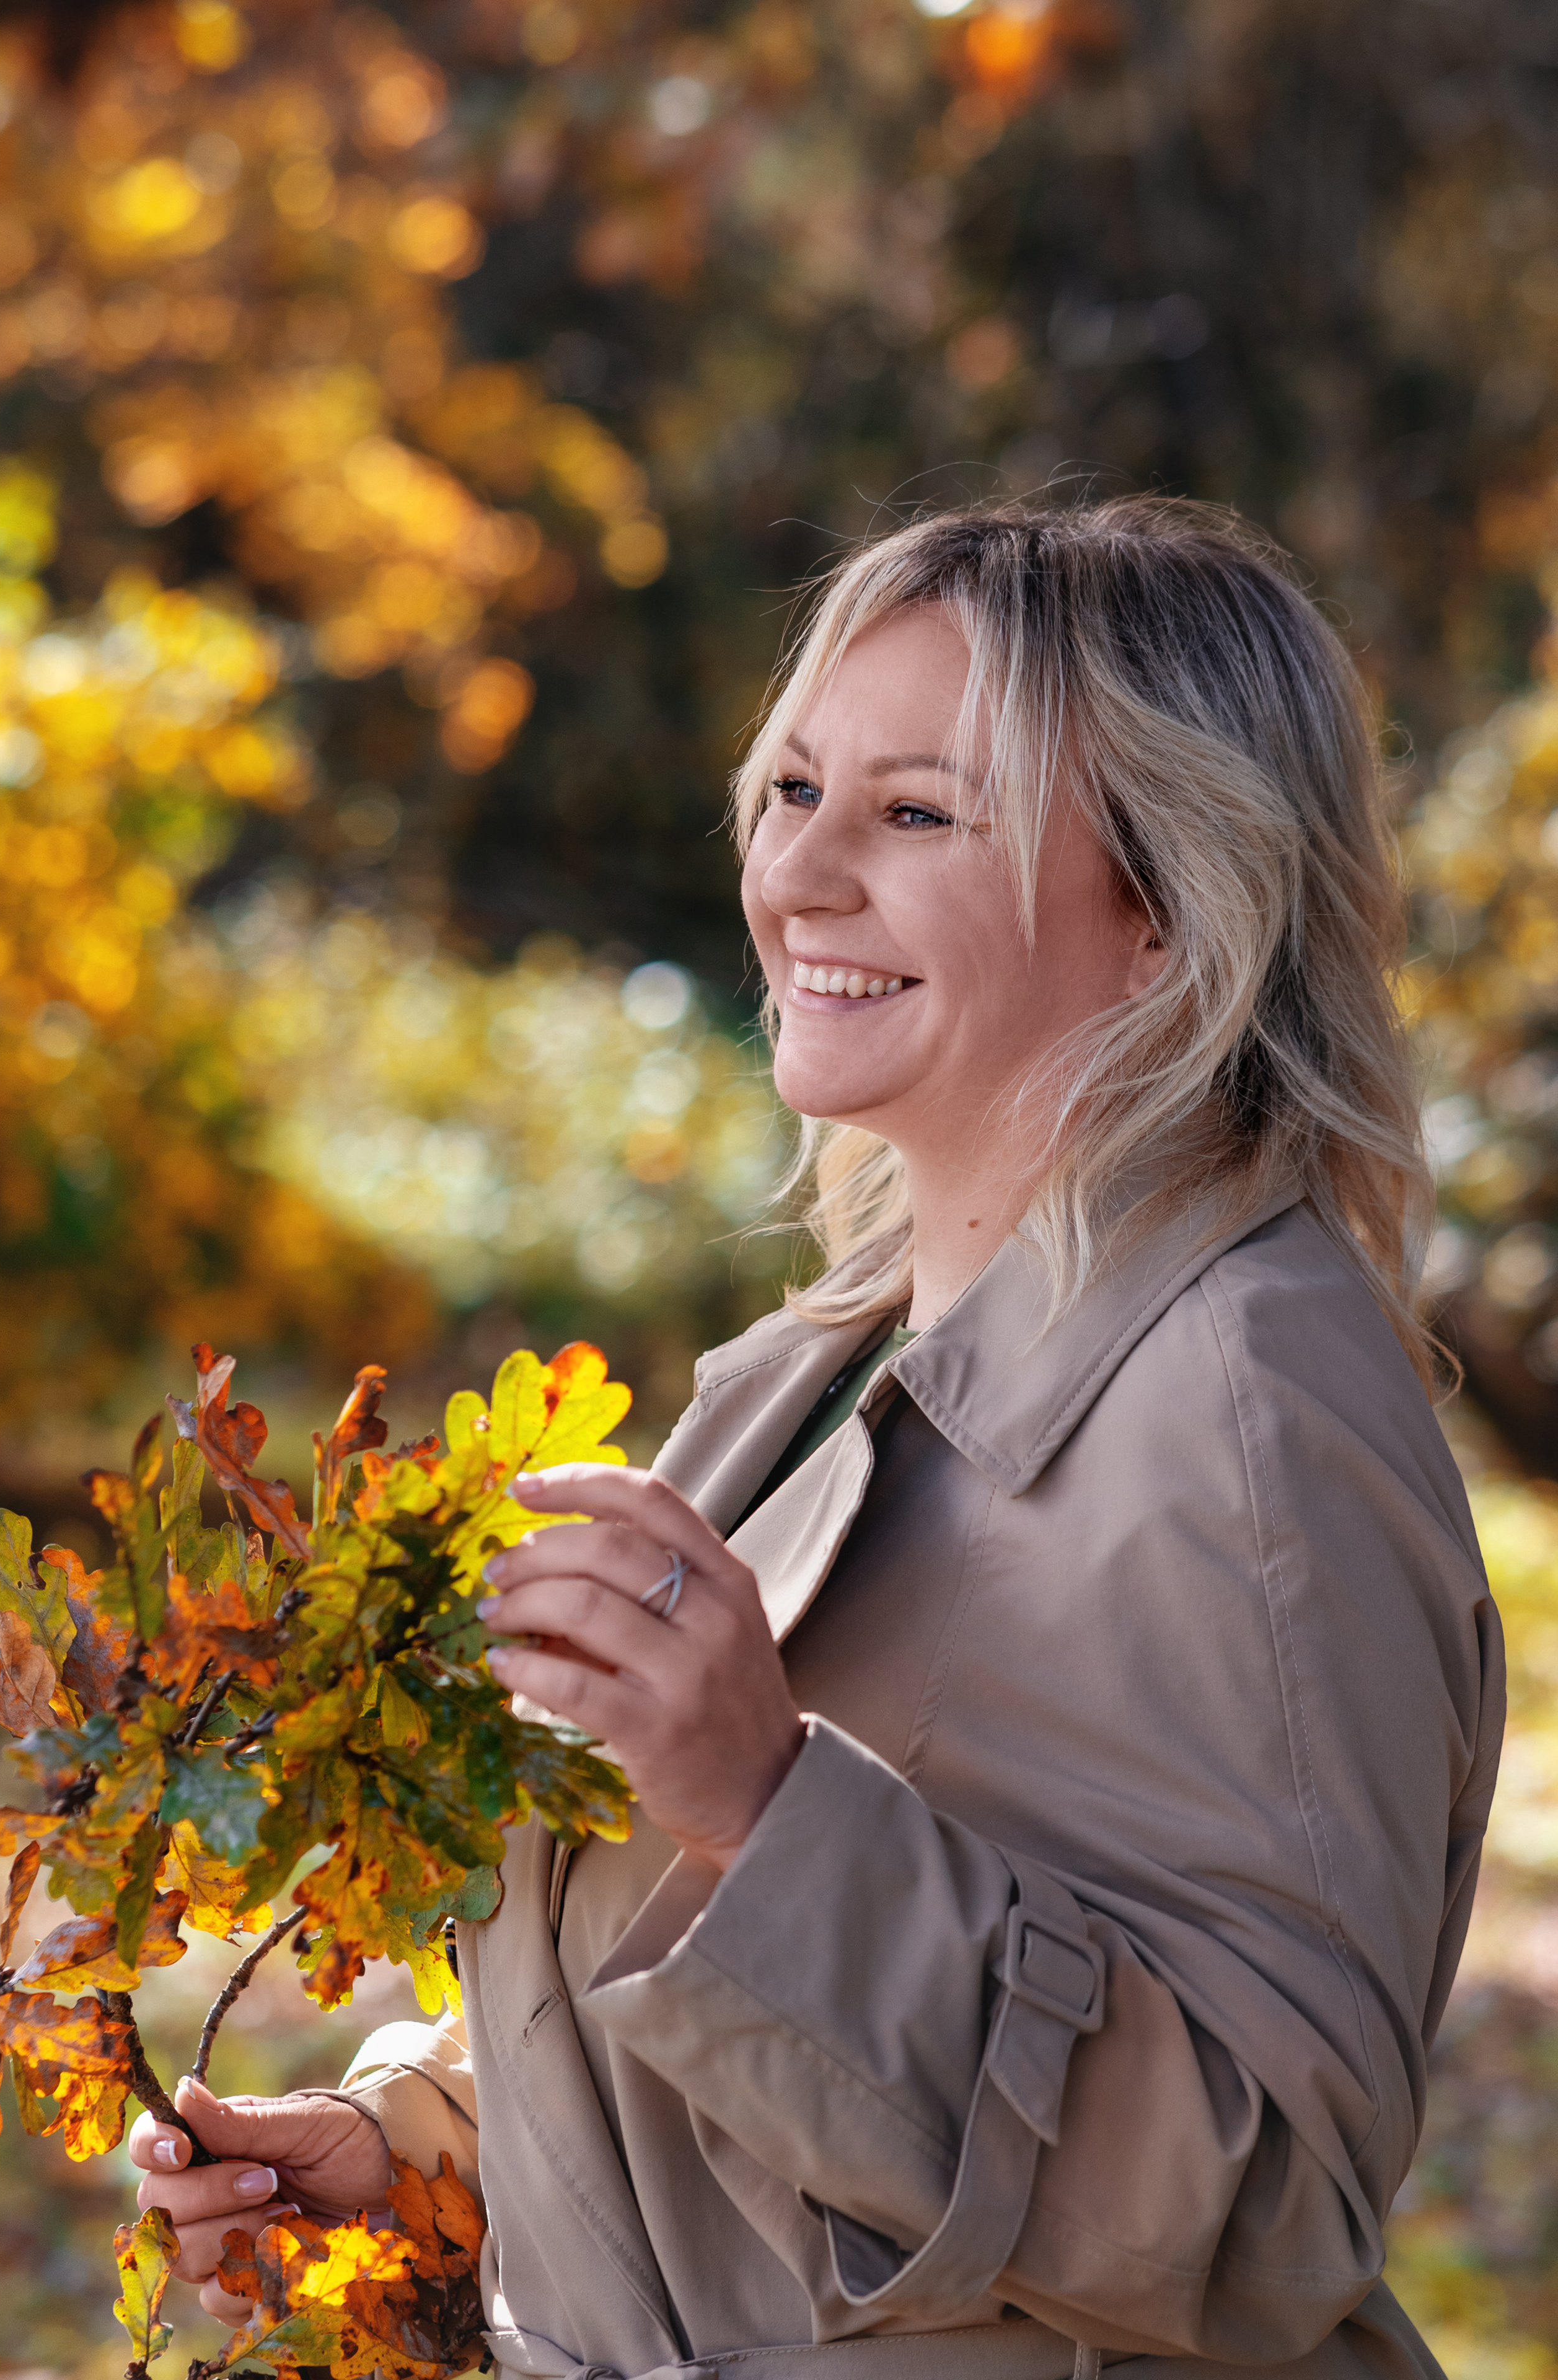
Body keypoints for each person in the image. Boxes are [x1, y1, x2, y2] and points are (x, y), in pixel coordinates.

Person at [130, 499, 1503, 2380]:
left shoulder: (1254, 1413)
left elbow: (1270, 2222)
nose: (797, 877)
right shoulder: (812, 1374)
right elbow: (754, 2047)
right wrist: (422, 2161)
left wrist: (768, 1810)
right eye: (790, 791)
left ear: (1174, 910)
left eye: (919, 814)